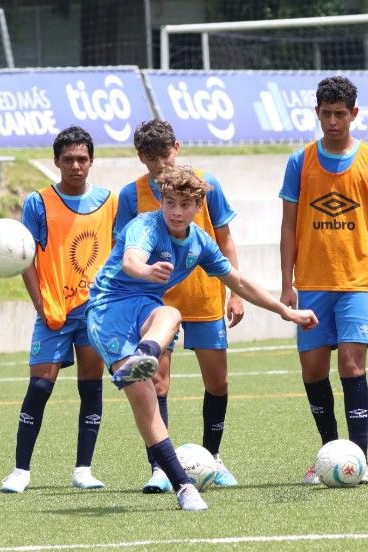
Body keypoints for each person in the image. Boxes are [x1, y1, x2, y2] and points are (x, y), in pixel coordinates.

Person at [87, 165, 317, 511]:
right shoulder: (145, 226)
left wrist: (287, 312)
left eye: (185, 204)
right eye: (170, 203)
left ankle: (144, 353)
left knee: (171, 314)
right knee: (144, 396)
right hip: (108, 310)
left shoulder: (199, 243)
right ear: (161, 202)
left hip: (144, 306)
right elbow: (132, 259)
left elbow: (238, 282)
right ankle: (183, 485)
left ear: (198, 207)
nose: (176, 212)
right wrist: (147, 270)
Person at [115, 119, 244, 493]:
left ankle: (212, 458)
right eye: (151, 158)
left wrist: (235, 292)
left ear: (178, 146)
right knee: (157, 380)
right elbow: (123, 250)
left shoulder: (207, 184)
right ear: (141, 158)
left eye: (165, 154)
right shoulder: (130, 195)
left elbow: (225, 238)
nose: (160, 165)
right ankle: (159, 466)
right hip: (155, 302)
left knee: (217, 380)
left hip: (204, 295)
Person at [278, 76, 368, 485]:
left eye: (340, 114)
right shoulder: (300, 161)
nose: (332, 121)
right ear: (317, 113)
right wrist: (286, 284)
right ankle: (331, 453)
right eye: (326, 114)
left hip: (358, 281)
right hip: (310, 283)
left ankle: (358, 459)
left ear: (354, 114)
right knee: (312, 370)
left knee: (350, 365)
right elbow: (289, 225)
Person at [0, 126, 118, 493]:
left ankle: (83, 469)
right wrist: (41, 304)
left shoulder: (110, 202)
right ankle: (21, 470)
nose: (76, 166)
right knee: (39, 386)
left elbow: (117, 254)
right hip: (53, 311)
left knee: (91, 387)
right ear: (56, 162)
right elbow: (26, 259)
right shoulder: (38, 202)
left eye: (82, 159)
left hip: (93, 311)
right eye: (68, 159)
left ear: (92, 161)